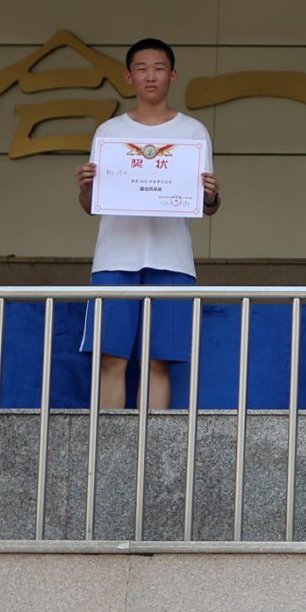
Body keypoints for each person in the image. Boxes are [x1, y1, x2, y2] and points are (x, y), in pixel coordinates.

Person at [75, 38, 216, 410]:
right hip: (115, 258)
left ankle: (154, 444)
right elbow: (90, 206)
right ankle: (109, 443)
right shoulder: (109, 133)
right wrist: (86, 187)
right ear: (128, 77)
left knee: (158, 362)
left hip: (172, 259)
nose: (150, 76)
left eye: (158, 68)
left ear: (173, 75)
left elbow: (207, 206)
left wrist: (211, 195)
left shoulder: (193, 132)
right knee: (110, 359)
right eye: (141, 68)